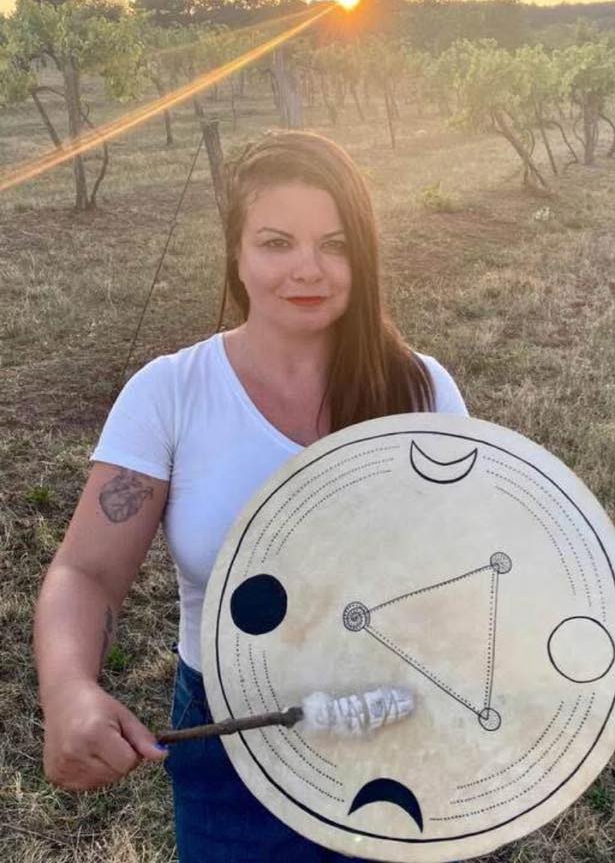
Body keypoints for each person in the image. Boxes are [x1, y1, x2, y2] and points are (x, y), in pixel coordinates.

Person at [34, 130, 468, 862]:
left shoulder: (421, 391)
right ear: (236, 254)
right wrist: (68, 690)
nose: (308, 269)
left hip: (396, 725)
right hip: (229, 737)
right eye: (276, 243)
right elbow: (86, 572)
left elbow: (469, 565)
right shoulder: (170, 394)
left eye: (335, 244)